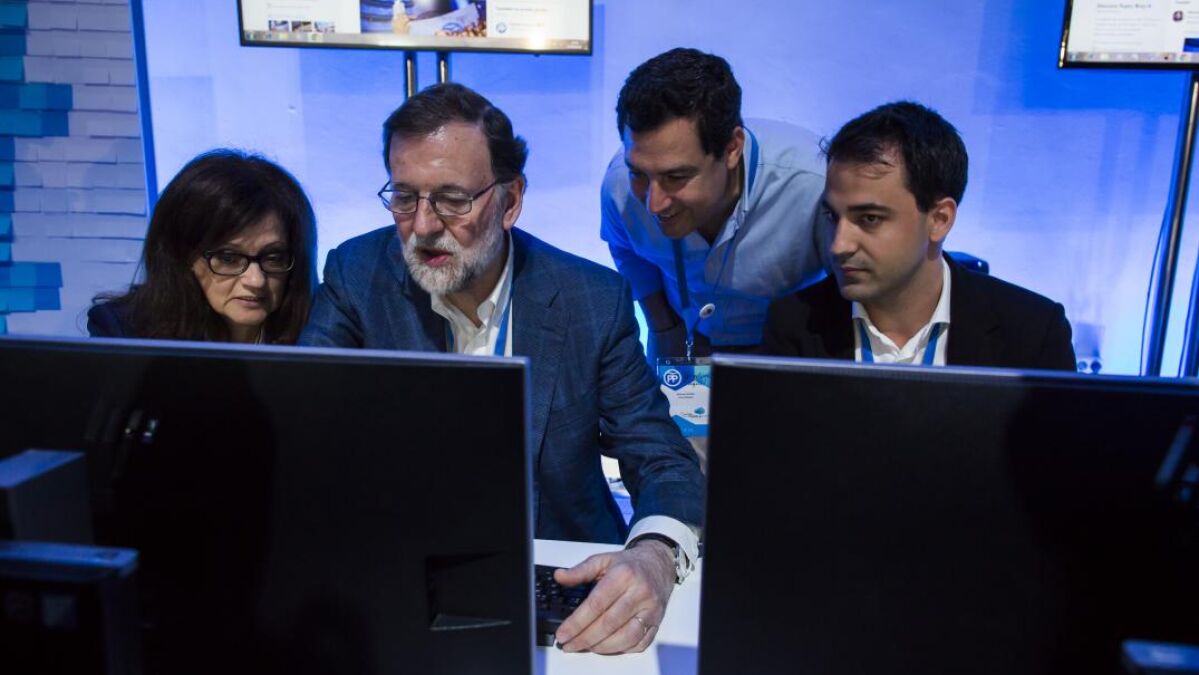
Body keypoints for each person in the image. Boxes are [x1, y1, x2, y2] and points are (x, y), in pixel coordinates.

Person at [300, 83, 705, 655]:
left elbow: (662, 458)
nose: (423, 226)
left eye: (451, 199)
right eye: (405, 197)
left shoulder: (590, 299)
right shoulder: (357, 272)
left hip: (558, 582)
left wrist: (654, 556)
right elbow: (306, 423)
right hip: (400, 582)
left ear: (510, 200)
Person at [762, 101, 1076, 370]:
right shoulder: (793, 324)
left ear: (939, 220)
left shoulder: (1031, 331)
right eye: (832, 216)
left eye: (869, 219)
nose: (838, 245)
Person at [601, 47, 826, 360]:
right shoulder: (619, 186)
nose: (654, 204)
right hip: (681, 340)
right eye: (638, 173)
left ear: (732, 148)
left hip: (789, 351)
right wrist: (663, 327)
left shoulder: (813, 185)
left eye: (676, 176)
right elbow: (626, 249)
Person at [88, 149, 317, 344]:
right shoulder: (125, 333)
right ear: (182, 255)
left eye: (273, 258)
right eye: (229, 258)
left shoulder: (320, 333)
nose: (256, 281)